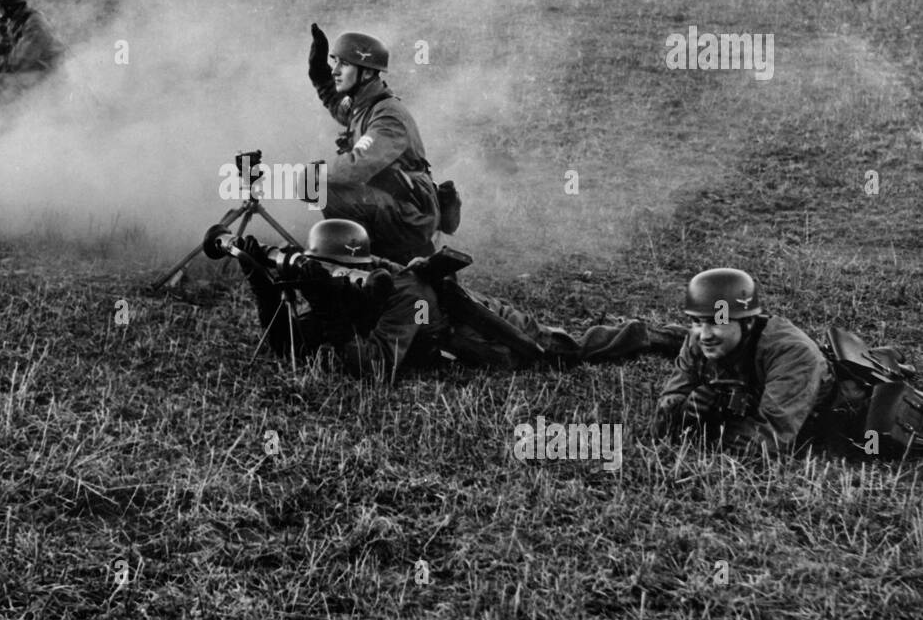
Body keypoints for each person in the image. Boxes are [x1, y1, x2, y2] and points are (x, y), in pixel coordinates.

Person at [231, 218, 686, 381]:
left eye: (336, 271)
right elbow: (289, 347)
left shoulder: (401, 291)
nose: (330, 278)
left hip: (483, 329)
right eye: (325, 271)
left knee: (561, 351)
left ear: (364, 269)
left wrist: (329, 309)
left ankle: (656, 337)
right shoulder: (348, 290)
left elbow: (372, 369)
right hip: (435, 334)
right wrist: (264, 289)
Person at [652, 268, 840, 455]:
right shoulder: (697, 341)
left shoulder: (792, 353)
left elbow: (767, 439)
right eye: (697, 322)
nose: (705, 335)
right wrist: (683, 412)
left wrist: (702, 434)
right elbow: (663, 416)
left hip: (829, 412)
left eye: (718, 321)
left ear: (748, 322)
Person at [307, 23, 440, 265]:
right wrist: (320, 77)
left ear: (367, 73)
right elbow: (340, 108)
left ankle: (371, 260)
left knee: (328, 191)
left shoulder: (388, 116)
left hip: (412, 216)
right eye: (334, 61)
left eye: (344, 64)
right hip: (397, 205)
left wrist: (316, 173)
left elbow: (357, 166)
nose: (335, 70)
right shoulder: (364, 104)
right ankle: (371, 257)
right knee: (322, 187)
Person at [0, 0, 65, 102]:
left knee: (5, 80)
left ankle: (12, 118)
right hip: (38, 69)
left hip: (53, 74)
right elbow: (6, 46)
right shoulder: (12, 20)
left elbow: (19, 61)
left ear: (8, 6)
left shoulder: (35, 24)